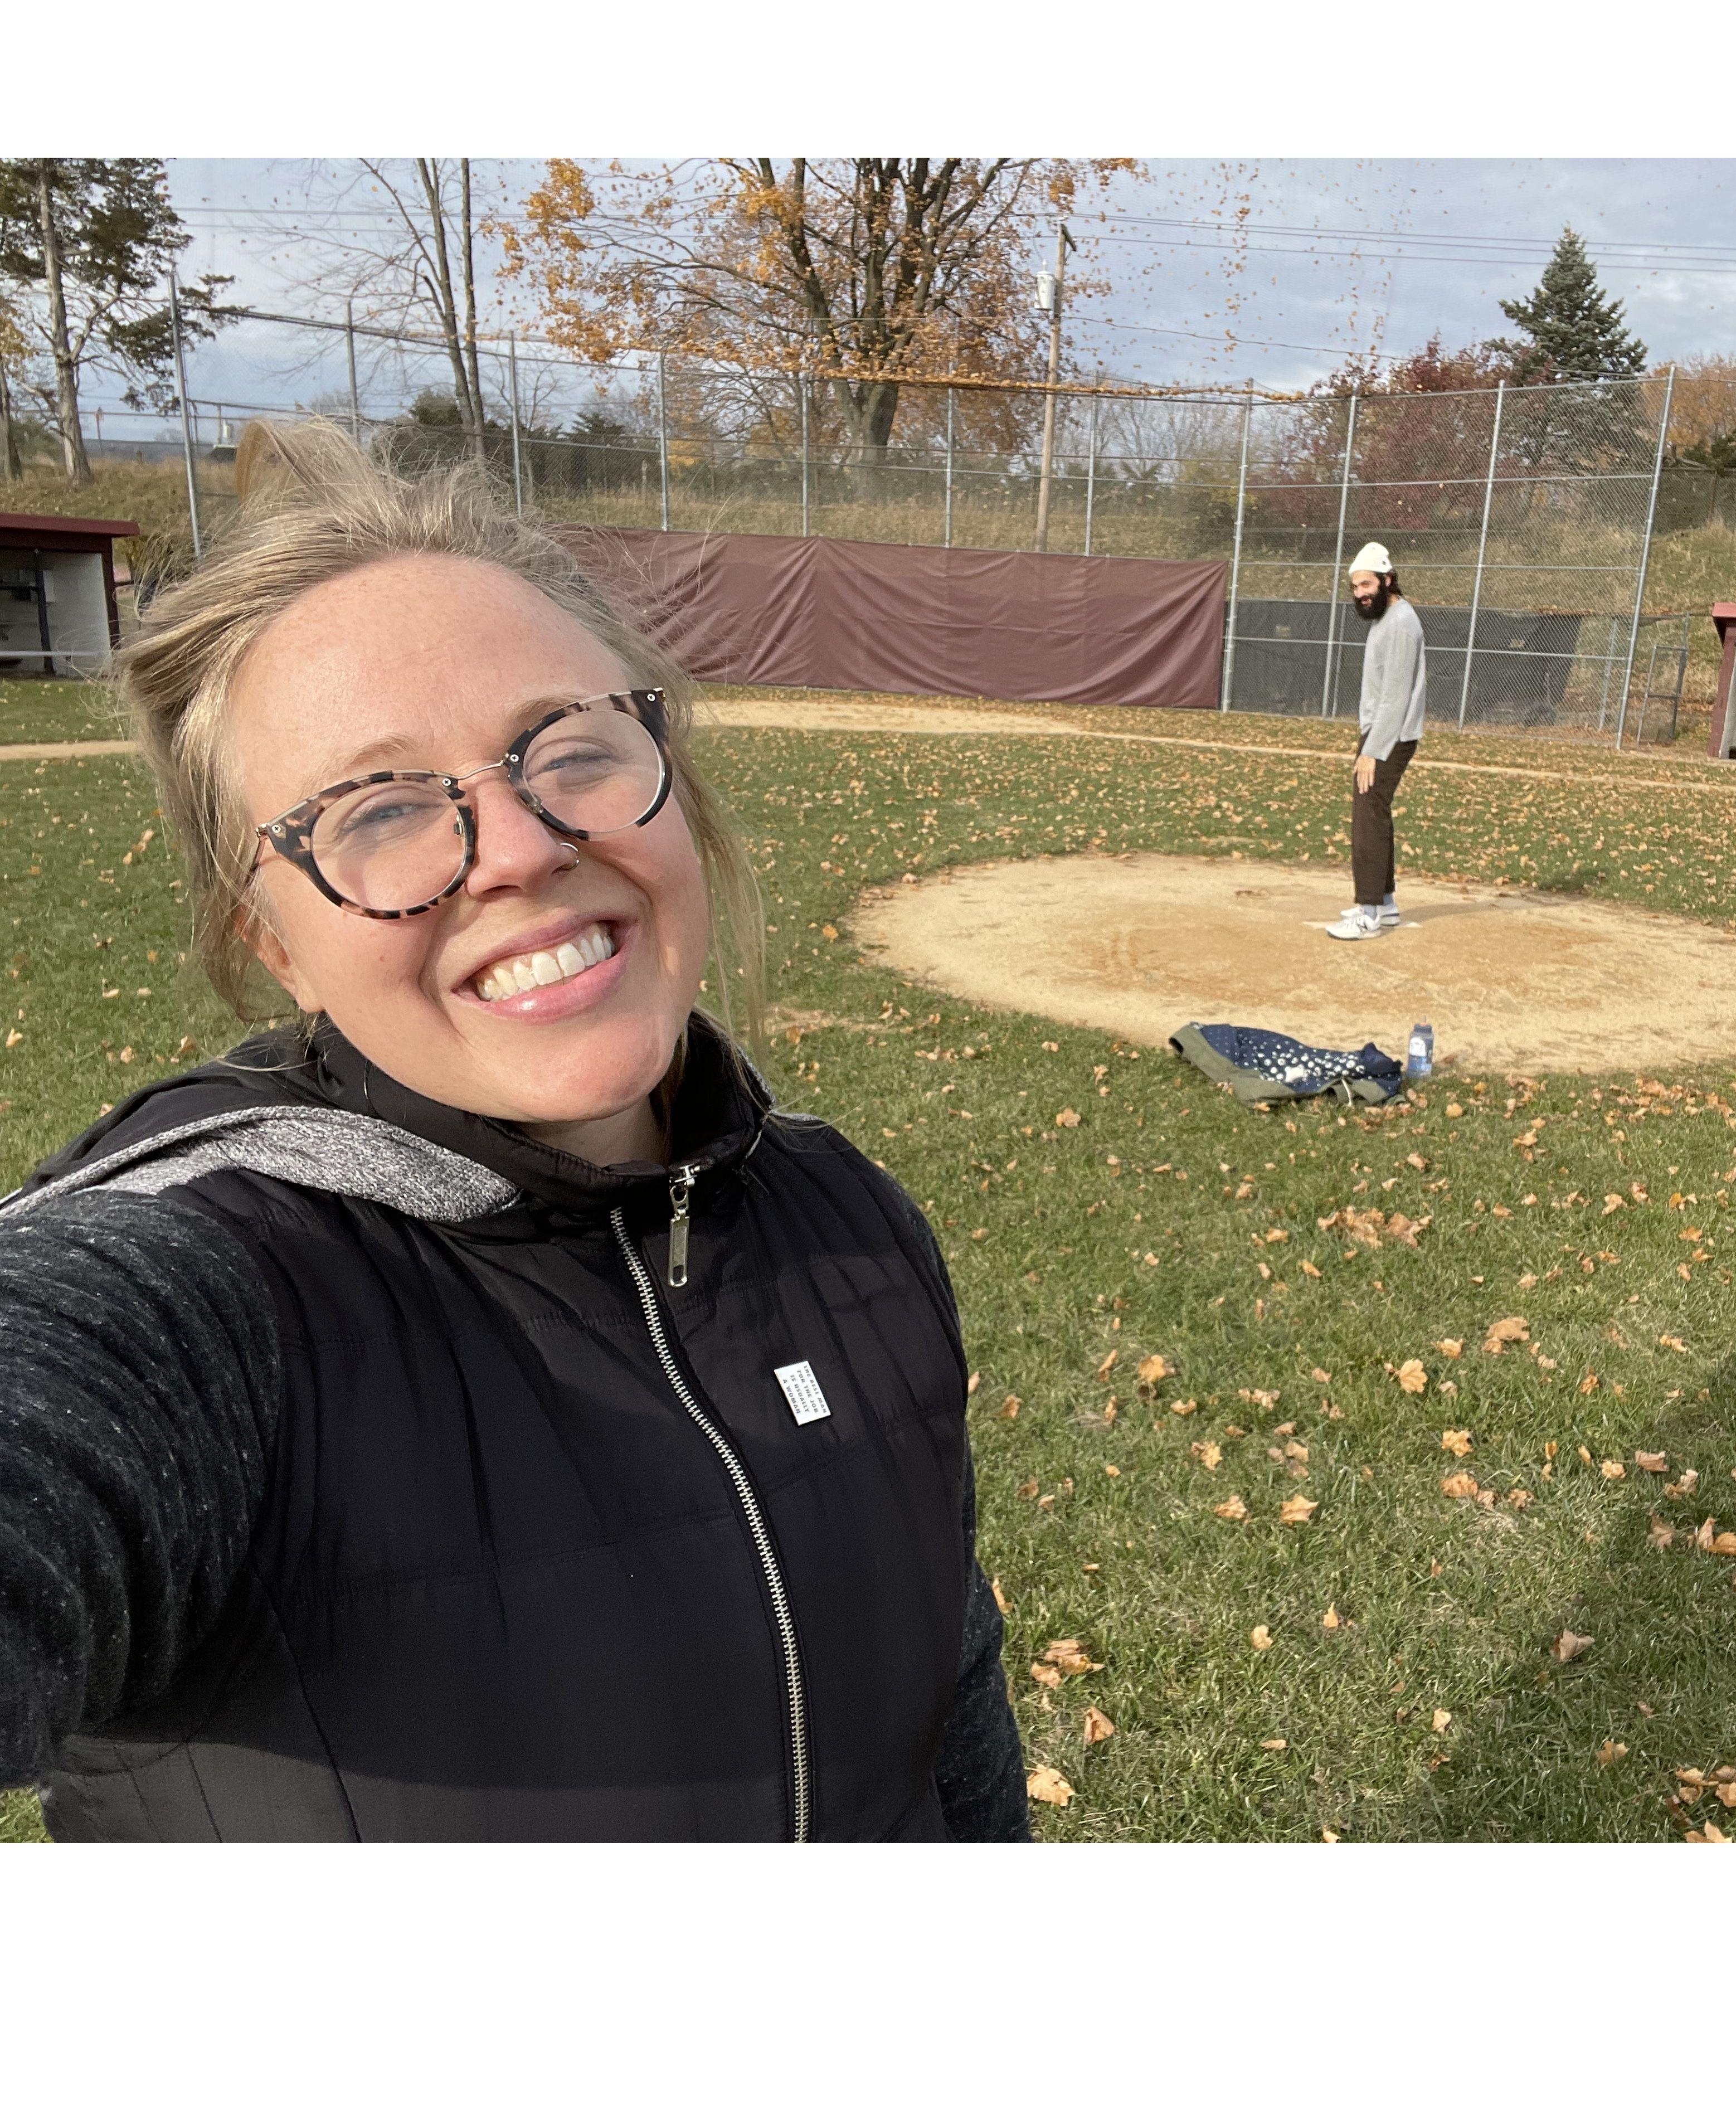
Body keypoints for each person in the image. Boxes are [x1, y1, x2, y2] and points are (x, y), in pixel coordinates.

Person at [0, 422, 1030, 1843]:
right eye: (377, 813)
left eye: (567, 749)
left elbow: (948, 1724)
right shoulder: (199, 1302)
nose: (523, 845)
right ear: (272, 945)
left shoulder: (851, 1224)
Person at [1325, 542, 1425, 942]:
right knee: (1374, 812)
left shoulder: (1401, 623)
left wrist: (1371, 750)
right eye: (1354, 587)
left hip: (1390, 735)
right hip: (1383, 732)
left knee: (1368, 816)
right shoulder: (1388, 618)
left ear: (1387, 580)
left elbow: (1397, 697)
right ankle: (1384, 903)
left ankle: (1368, 915)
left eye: (1367, 584)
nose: (1360, 593)